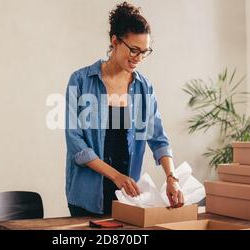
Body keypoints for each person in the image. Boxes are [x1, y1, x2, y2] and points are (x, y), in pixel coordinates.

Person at [65, 2, 184, 217]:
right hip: (88, 195)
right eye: (134, 50)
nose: (138, 58)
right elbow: (76, 144)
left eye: (145, 52)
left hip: (127, 195)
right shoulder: (81, 81)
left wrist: (171, 178)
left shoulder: (143, 87)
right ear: (114, 41)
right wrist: (115, 176)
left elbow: (158, 138)